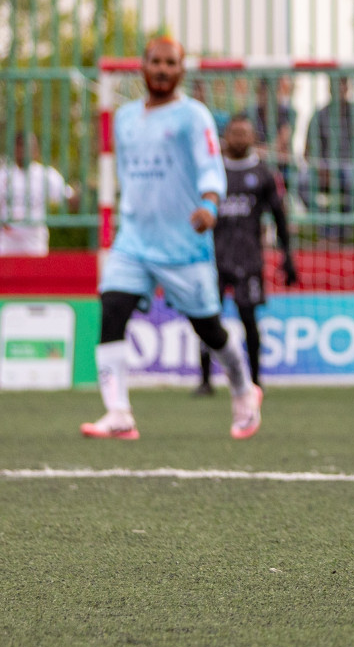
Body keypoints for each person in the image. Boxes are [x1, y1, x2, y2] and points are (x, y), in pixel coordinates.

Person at [81, 37, 262, 441]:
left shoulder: (193, 117)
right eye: (155, 62)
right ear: (142, 67)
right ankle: (118, 413)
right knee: (112, 308)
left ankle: (243, 387)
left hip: (183, 245)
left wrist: (210, 207)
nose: (162, 69)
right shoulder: (125, 118)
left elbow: (210, 167)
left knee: (210, 331)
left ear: (181, 70)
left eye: (170, 63)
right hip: (134, 240)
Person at [194, 115, 299, 396]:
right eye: (235, 133)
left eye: (245, 133)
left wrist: (287, 255)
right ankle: (205, 380)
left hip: (248, 258)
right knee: (206, 319)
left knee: (249, 320)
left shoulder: (263, 174)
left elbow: (279, 216)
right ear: (226, 136)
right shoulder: (211, 171)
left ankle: (255, 380)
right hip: (212, 259)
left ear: (253, 138)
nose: (239, 138)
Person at [303, 75, 354, 241]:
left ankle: (342, 230)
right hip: (323, 167)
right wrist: (319, 167)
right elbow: (307, 153)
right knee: (301, 181)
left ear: (348, 88)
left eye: (342, 85)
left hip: (351, 167)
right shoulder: (319, 115)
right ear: (329, 89)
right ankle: (327, 229)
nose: (339, 89)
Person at [1, 132, 77, 256]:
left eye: (29, 146)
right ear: (14, 149)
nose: (24, 150)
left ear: (36, 150)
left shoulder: (45, 174)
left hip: (34, 243)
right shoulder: (4, 175)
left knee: (34, 274)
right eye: (20, 146)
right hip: (7, 243)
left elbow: (69, 198)